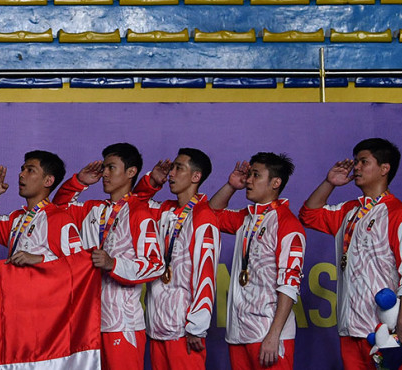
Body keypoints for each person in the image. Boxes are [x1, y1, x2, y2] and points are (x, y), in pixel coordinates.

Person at [299, 138, 402, 369]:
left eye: (363, 162)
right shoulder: (349, 210)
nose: (356, 167)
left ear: (384, 169)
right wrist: (329, 183)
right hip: (350, 329)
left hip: (383, 332)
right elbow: (309, 214)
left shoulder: (398, 214)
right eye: (356, 161)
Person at [51, 143, 163, 370]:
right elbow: (58, 208)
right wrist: (79, 182)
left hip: (123, 323)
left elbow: (155, 265)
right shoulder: (92, 210)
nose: (104, 174)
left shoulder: (140, 213)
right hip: (89, 322)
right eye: (104, 168)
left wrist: (113, 264)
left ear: (131, 172)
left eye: (111, 168)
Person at [208, 153, 306, 370]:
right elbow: (210, 214)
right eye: (249, 175)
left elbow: (289, 285)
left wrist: (274, 335)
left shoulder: (287, 224)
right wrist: (231, 186)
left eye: (256, 175)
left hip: (268, 335)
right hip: (238, 333)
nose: (248, 181)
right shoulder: (246, 217)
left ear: (275, 182)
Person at [133, 148, 220, 370]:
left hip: (184, 331)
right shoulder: (163, 210)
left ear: (196, 176)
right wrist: (152, 182)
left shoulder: (203, 216)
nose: (171, 174)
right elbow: (133, 204)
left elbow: (206, 275)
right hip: (157, 327)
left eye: (179, 168)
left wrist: (197, 327)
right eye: (172, 168)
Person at [0, 150, 82, 265]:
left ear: (48, 181)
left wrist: (41, 260)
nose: (21, 174)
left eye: (30, 170)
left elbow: (77, 264)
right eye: (22, 169)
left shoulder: (59, 220)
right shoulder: (17, 219)